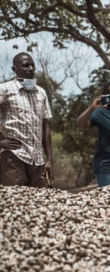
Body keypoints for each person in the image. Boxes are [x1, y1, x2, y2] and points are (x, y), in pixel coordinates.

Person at [0, 52, 53, 188]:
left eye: (32, 65)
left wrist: (49, 160)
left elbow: (45, 126)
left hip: (37, 158)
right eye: (25, 65)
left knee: (41, 201)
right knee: (15, 200)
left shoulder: (40, 92)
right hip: (14, 155)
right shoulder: (5, 89)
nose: (30, 68)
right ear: (14, 69)